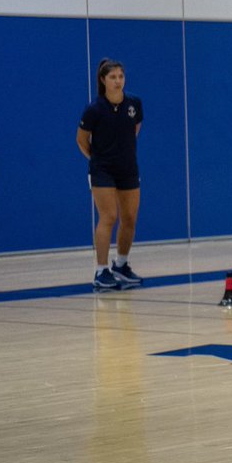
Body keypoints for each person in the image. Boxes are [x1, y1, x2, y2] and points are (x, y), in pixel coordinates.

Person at [77, 58, 144, 291]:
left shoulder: (134, 103)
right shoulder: (94, 109)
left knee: (129, 218)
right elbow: (81, 140)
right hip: (102, 170)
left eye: (121, 76)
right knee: (108, 217)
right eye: (113, 77)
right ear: (103, 80)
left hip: (128, 169)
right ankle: (101, 270)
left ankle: (121, 265)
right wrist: (97, 160)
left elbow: (134, 129)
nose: (118, 81)